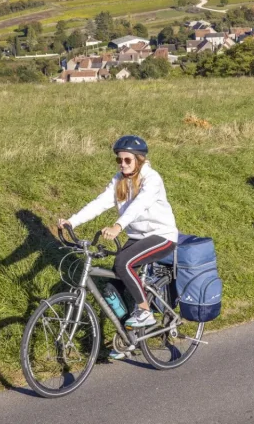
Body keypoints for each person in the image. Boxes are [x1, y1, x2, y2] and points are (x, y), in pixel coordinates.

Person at [58, 135, 178, 358]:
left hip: (161, 236)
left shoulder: (152, 179)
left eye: (127, 160)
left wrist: (118, 226)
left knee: (124, 263)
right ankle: (129, 337)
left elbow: (139, 206)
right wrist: (71, 221)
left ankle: (145, 311)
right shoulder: (119, 180)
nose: (122, 164)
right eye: (119, 160)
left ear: (139, 160)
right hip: (138, 236)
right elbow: (100, 203)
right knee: (116, 278)